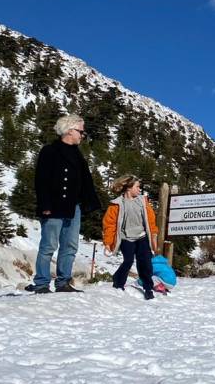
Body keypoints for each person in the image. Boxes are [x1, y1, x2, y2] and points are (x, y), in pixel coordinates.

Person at [29, 114, 101, 294]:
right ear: (69, 130)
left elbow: (86, 181)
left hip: (73, 207)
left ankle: (63, 282)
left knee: (70, 246)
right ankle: (42, 283)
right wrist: (44, 204)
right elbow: (41, 180)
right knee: (48, 246)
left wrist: (89, 202)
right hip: (52, 206)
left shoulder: (78, 155)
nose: (82, 135)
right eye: (81, 131)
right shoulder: (49, 151)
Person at [102, 175, 159, 300]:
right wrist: (108, 242)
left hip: (142, 237)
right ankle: (118, 283)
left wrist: (154, 234)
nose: (140, 190)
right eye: (137, 187)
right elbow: (109, 225)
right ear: (128, 188)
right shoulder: (116, 205)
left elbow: (150, 220)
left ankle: (148, 288)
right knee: (128, 261)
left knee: (145, 262)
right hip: (126, 238)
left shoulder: (143, 201)